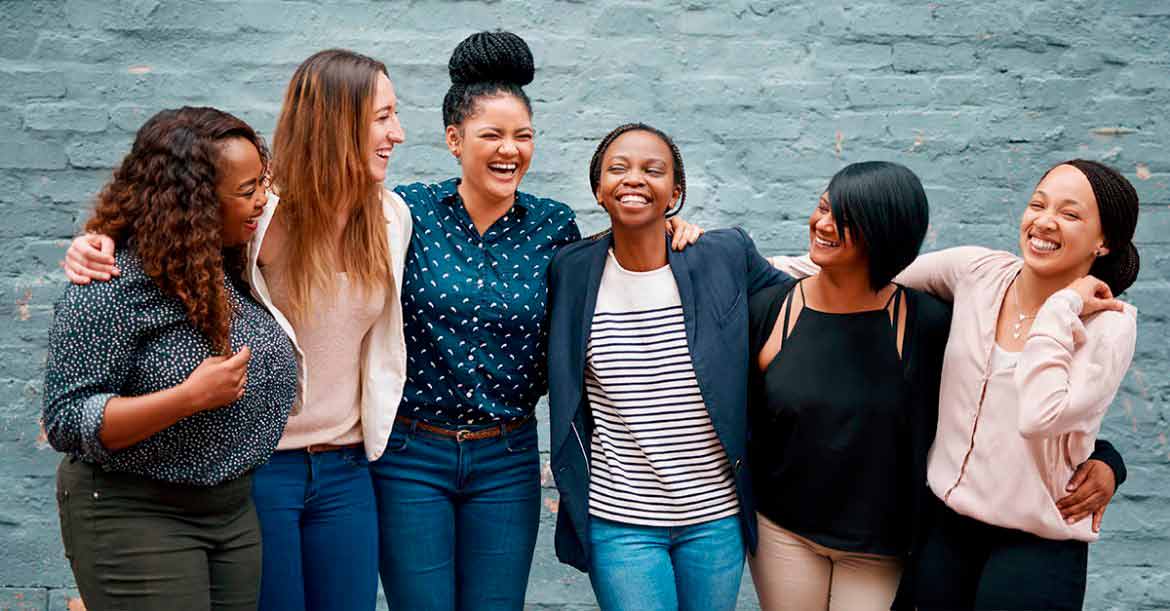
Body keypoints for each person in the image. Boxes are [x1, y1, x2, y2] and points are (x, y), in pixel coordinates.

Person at [62, 49, 412, 611]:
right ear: (334, 124)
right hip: (264, 464)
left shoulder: (393, 217)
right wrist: (96, 238)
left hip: (346, 466)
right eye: (382, 117)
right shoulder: (257, 217)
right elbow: (169, 227)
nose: (397, 133)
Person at [372, 34, 701, 611]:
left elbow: (607, 269)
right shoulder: (408, 212)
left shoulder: (553, 226)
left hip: (507, 456)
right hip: (411, 454)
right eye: (492, 135)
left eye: (523, 136)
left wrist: (671, 229)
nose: (510, 150)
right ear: (454, 140)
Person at [770, 159, 1138, 610]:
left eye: (1070, 213)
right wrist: (715, 257)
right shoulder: (976, 272)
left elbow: (1041, 415)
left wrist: (1062, 308)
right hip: (943, 530)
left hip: (1036, 543)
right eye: (1037, 204)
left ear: (1104, 241)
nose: (1044, 221)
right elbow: (862, 269)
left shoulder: (1110, 326)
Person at [43, 107, 298, 610]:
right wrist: (186, 398)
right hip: (135, 509)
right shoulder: (109, 286)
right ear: (196, 202)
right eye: (247, 191)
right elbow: (68, 420)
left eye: (261, 183)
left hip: (230, 508)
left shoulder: (221, 260)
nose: (262, 201)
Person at [547, 123, 789, 611]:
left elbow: (802, 301)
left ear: (675, 193)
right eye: (618, 169)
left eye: (652, 170)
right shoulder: (569, 270)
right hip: (621, 522)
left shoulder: (722, 255)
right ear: (599, 190)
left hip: (715, 520)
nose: (634, 178)